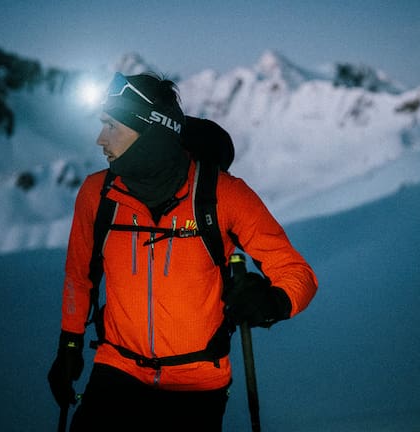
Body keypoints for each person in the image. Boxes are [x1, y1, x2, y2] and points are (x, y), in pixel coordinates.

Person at [48, 71, 318, 431]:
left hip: (197, 384)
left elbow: (298, 273)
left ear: (150, 131)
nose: (100, 139)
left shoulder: (222, 195)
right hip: (117, 371)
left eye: (112, 127)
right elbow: (79, 275)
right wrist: (69, 343)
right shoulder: (97, 195)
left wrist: (273, 302)